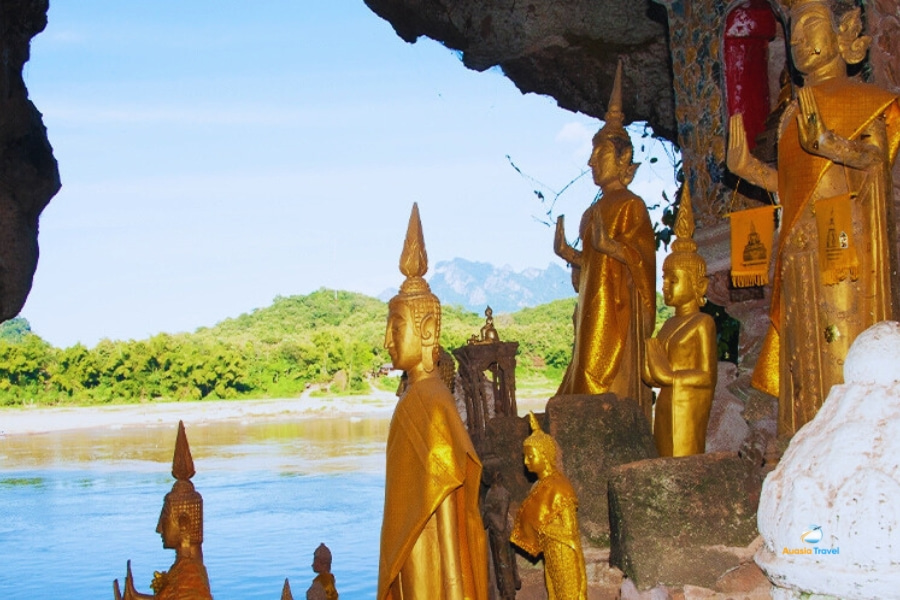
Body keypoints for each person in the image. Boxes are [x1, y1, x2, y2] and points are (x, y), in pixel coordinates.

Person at [727, 0, 900, 436]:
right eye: (795, 37)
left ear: (845, 37)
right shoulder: (790, 114)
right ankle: (806, 436)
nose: (801, 42)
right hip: (800, 249)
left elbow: (875, 159)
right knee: (803, 353)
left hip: (844, 245)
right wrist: (749, 169)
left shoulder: (867, 100)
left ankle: (853, 436)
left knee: (841, 338)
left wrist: (828, 143)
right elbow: (789, 188)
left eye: (810, 28)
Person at [377, 203, 489, 600]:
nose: (387, 340)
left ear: (426, 330)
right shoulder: (412, 400)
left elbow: (448, 516)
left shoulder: (433, 404)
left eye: (396, 327)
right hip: (412, 556)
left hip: (432, 565)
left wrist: (457, 589)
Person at [553, 60, 656, 419]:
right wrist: (571, 254)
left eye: (600, 154)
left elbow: (642, 257)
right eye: (594, 153)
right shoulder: (592, 211)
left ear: (623, 157)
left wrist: (611, 246)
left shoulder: (632, 206)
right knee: (582, 375)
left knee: (609, 386)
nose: (591, 161)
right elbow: (593, 263)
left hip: (616, 310)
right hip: (593, 308)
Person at [642, 186, 717, 456]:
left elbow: (707, 376)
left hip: (688, 404)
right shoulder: (667, 325)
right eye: (664, 278)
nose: (665, 285)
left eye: (673, 279)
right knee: (663, 459)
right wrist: (650, 363)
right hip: (665, 403)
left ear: (698, 283)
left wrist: (672, 377)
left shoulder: (703, 323)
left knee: (683, 462)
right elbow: (654, 376)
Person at [113, 421, 213, 600]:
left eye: (164, 520)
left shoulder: (190, 573)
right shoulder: (184, 569)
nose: (159, 528)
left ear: (183, 524)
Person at [510, 413, 587, 600]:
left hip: (564, 553)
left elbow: (570, 530)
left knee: (567, 594)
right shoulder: (540, 486)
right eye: (524, 457)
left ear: (544, 455)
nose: (526, 462)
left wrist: (543, 528)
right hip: (551, 553)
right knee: (554, 594)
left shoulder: (560, 487)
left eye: (530, 456)